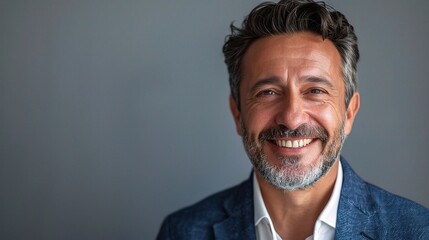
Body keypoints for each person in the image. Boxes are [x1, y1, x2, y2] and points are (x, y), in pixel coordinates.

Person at [157, 0, 429, 239]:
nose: (291, 118)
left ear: (349, 112)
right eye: (268, 92)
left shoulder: (417, 231)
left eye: (315, 91)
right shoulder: (183, 232)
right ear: (237, 113)